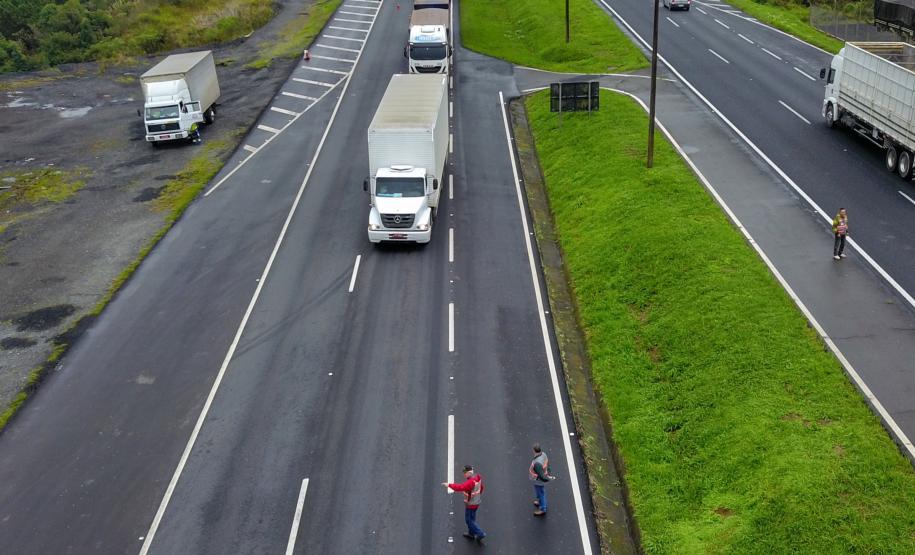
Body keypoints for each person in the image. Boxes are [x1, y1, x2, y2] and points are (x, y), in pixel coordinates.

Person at [443, 465, 486, 544]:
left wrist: (449, 485)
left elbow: (460, 487)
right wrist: (477, 496)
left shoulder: (470, 482)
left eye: (465, 473)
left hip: (471, 503)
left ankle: (480, 533)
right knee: (472, 518)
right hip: (477, 501)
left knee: (469, 520)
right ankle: (471, 534)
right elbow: (481, 487)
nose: (464, 474)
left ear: (469, 472)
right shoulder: (477, 477)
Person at [530, 443, 555, 516]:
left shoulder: (537, 462)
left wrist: (546, 479)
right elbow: (547, 464)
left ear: (534, 451)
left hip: (539, 480)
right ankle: (540, 502)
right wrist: (548, 474)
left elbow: (541, 475)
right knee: (540, 492)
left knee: (541, 493)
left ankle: (543, 508)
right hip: (542, 477)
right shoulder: (543, 454)